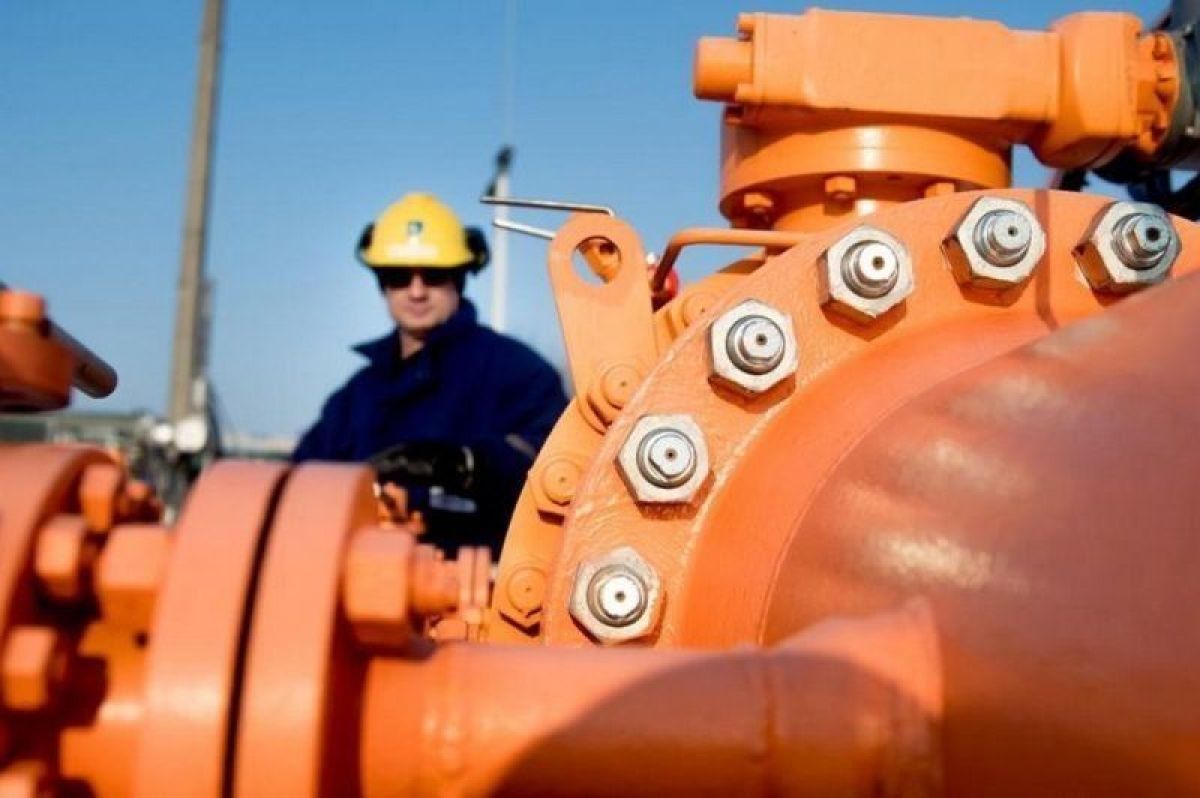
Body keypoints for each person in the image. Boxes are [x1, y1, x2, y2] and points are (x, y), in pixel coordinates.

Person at [293, 192, 568, 555]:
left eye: (434, 276)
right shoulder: (355, 398)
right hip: (361, 582)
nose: (417, 291)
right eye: (399, 277)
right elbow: (299, 486)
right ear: (382, 283)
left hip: (482, 584)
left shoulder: (519, 373)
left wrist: (468, 465)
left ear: (459, 279)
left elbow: (561, 470)